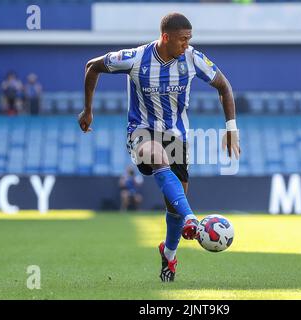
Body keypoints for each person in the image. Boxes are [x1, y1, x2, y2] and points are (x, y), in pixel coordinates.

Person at [78, 13, 240, 282]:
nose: (186, 45)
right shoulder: (136, 58)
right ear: (166, 37)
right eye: (182, 40)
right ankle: (192, 218)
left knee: (173, 207)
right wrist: (87, 110)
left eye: (189, 40)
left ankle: (169, 253)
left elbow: (224, 87)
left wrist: (231, 128)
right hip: (141, 132)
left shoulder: (193, 59)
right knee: (157, 157)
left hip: (177, 138)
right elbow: (92, 66)